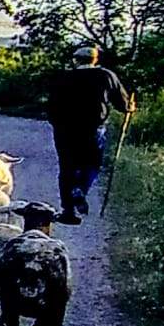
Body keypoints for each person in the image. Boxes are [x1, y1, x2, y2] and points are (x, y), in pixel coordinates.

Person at [45, 45, 135, 225]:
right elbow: (122, 104)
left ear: (75, 60)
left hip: (64, 129)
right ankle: (80, 189)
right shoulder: (106, 76)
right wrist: (129, 107)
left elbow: (51, 105)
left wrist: (56, 123)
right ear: (95, 59)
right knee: (92, 164)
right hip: (93, 128)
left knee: (67, 168)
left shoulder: (63, 77)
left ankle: (68, 212)